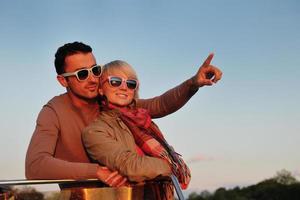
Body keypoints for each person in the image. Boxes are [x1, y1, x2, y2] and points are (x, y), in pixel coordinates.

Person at [25, 41, 222, 187]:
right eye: (82, 74)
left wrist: (193, 83)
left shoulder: (113, 104)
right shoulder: (53, 111)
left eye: (95, 70)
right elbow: (35, 165)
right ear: (63, 81)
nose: (93, 79)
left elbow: (160, 104)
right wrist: (95, 172)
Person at [82, 60, 191, 199]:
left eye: (130, 83)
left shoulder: (144, 121)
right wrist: (172, 166)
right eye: (115, 81)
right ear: (101, 89)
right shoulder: (95, 131)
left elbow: (163, 102)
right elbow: (131, 166)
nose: (124, 88)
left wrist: (194, 83)